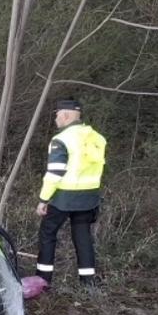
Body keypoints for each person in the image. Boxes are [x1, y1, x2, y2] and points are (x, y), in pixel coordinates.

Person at [35, 98, 107, 286]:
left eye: (57, 115)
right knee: (83, 236)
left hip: (64, 198)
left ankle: (42, 281)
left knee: (47, 234)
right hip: (89, 198)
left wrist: (43, 199)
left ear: (66, 115)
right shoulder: (98, 138)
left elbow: (55, 173)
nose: (56, 119)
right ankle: (88, 282)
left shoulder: (61, 140)